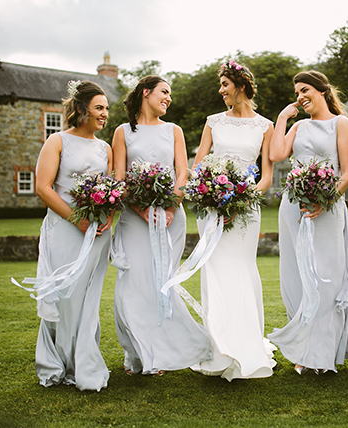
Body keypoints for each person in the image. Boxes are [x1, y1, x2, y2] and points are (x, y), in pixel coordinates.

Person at [111, 75, 211, 375]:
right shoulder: (122, 132)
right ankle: (137, 354)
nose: (169, 98)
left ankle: (161, 353)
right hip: (134, 218)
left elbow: (183, 171)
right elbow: (119, 178)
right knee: (132, 285)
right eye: (164, 92)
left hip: (170, 218)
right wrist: (142, 209)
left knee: (160, 284)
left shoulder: (174, 130)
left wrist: (171, 207)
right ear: (146, 93)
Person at [267, 71, 348, 375]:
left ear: (322, 90)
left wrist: (325, 199)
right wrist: (283, 118)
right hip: (293, 209)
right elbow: (276, 154)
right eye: (296, 92)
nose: (300, 97)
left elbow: (347, 173)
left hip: (328, 210)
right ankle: (305, 349)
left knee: (326, 278)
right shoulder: (298, 126)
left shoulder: (341, 124)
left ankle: (321, 354)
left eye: (305, 90)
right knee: (297, 277)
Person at [190, 60, 276, 381]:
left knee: (241, 269)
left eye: (225, 84)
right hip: (212, 208)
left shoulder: (264, 126)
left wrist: (242, 198)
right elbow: (199, 165)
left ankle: (245, 343)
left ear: (240, 86)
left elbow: (266, 176)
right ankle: (219, 348)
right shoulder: (213, 122)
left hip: (245, 209)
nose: (221, 90)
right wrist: (212, 195)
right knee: (215, 273)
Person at [32, 80, 112, 391]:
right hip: (65, 228)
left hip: (97, 233)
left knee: (88, 300)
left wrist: (107, 216)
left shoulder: (106, 148)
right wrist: (78, 219)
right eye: (99, 108)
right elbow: (43, 187)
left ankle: (83, 362)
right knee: (65, 296)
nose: (104, 114)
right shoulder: (57, 141)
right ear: (81, 109)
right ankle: (55, 363)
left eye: (106, 109)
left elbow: (113, 189)